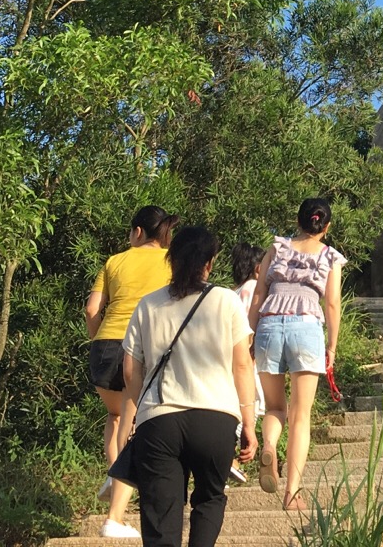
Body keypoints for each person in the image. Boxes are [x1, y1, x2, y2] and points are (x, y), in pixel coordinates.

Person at [114, 225, 258, 547]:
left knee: (162, 513)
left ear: (172, 260)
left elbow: (129, 370)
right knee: (209, 498)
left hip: (160, 420)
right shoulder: (226, 300)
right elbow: (242, 366)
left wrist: (145, 405)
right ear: (209, 263)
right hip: (216, 418)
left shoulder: (148, 305)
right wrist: (249, 422)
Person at [248, 198, 346, 512]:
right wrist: (331, 345)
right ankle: (292, 494)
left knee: (276, 407)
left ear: (298, 220)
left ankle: (269, 446)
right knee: (301, 417)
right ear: (326, 226)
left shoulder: (275, 249)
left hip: (269, 326)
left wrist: (251, 335)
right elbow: (331, 304)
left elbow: (259, 294)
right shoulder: (330, 257)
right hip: (306, 327)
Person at [86, 206, 179, 506]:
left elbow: (91, 310)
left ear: (137, 232)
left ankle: (114, 475)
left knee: (115, 416)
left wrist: (96, 340)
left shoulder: (114, 261)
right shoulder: (171, 262)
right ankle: (124, 487)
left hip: (105, 345)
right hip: (143, 348)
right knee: (134, 422)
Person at [226, 242, 266, 484]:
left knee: (236, 409)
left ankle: (232, 461)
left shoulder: (234, 291)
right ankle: (232, 460)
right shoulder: (253, 289)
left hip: (229, 359)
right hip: (247, 358)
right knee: (250, 407)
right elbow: (250, 326)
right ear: (258, 268)